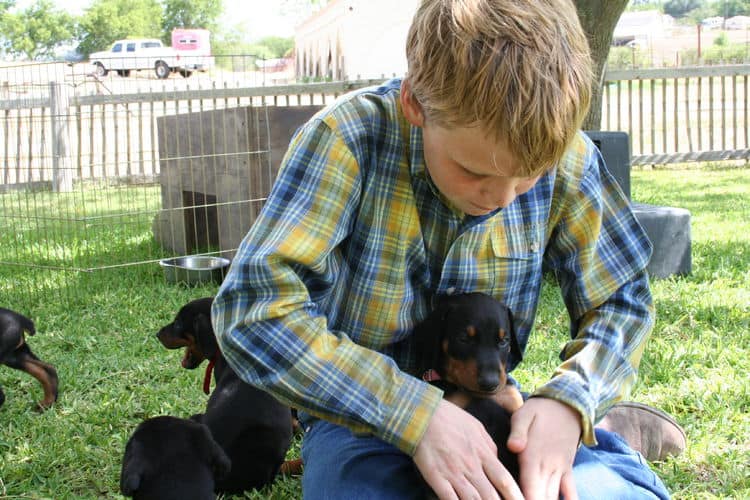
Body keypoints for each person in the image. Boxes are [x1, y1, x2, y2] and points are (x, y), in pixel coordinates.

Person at [212, 0, 684, 498]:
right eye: (476, 172)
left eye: (531, 177)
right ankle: (618, 431)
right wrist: (412, 413)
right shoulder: (348, 140)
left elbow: (621, 301)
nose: (502, 197)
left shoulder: (567, 157)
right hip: (362, 420)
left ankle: (611, 434)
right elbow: (253, 311)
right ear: (416, 104)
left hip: (496, 413)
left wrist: (570, 401)